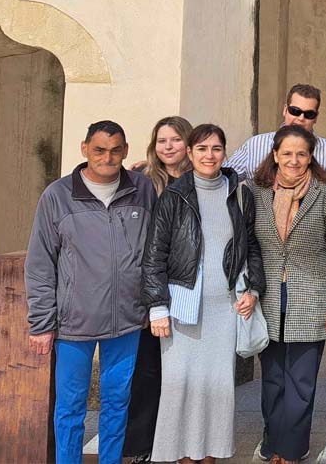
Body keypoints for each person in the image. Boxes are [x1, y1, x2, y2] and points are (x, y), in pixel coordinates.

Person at [25, 120, 156, 464]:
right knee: (70, 406)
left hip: (127, 320)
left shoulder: (142, 189)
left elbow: (156, 249)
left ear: (126, 151)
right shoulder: (57, 194)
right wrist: (41, 323)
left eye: (115, 150)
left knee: (117, 402)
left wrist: (151, 305)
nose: (107, 158)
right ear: (84, 149)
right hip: (73, 323)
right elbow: (40, 262)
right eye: (99, 150)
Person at [142, 124, 265, 463]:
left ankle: (210, 455)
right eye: (202, 149)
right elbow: (155, 254)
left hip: (225, 307)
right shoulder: (174, 196)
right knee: (180, 386)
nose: (209, 156)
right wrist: (157, 307)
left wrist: (253, 288)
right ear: (191, 154)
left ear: (224, 152)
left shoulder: (239, 193)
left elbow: (251, 245)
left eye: (215, 148)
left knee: (217, 388)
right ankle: (182, 456)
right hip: (183, 306)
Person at [249, 125, 326, 464]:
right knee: (272, 380)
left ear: (311, 157)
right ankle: (273, 436)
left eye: (302, 154)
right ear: (275, 155)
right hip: (267, 299)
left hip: (312, 298)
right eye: (287, 153)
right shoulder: (254, 191)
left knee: (301, 382)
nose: (294, 160)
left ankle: (291, 448)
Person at [125, 115, 193, 464]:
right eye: (162, 141)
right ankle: (140, 446)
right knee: (148, 368)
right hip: (152, 286)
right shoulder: (143, 182)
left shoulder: (204, 181)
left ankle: (182, 440)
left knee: (182, 369)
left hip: (190, 288)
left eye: (176, 140)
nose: (168, 147)